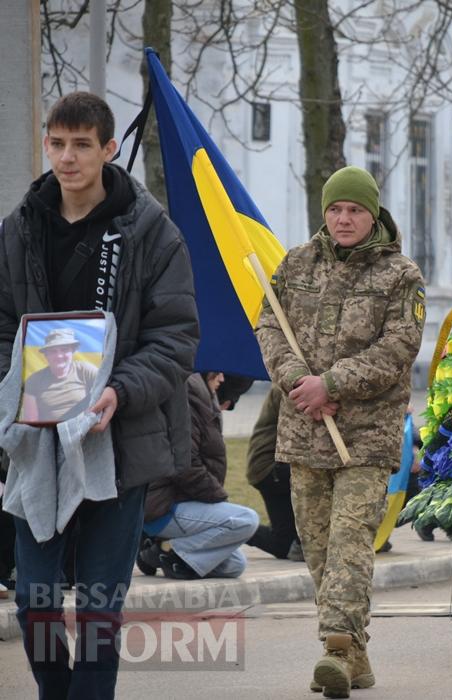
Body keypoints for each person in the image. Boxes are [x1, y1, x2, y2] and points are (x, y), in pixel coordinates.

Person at [0, 92, 198, 699]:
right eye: (57, 143)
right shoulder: (19, 228)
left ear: (109, 149)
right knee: (34, 601)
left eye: (82, 144)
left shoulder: (151, 231)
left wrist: (118, 391)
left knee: (98, 610)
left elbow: (176, 336)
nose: (67, 157)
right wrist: (17, 392)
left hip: (120, 438)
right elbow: (3, 325)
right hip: (39, 444)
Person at [256, 166, 424, 699]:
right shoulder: (296, 264)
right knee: (320, 552)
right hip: (305, 432)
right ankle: (355, 653)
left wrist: (331, 384)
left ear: (372, 213)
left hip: (366, 437)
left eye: (354, 209)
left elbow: (399, 347)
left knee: (352, 544)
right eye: (335, 209)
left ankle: (333, 649)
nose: (344, 218)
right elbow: (269, 324)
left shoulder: (401, 276)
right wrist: (296, 384)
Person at [139, 371, 259, 579]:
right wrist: (218, 497)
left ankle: (160, 551)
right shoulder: (189, 401)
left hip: (183, 502)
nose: (222, 379)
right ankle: (171, 551)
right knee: (245, 520)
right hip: (165, 506)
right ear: (206, 372)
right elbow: (186, 466)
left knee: (235, 565)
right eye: (217, 374)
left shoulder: (203, 397)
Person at [244, 385, 303, 560]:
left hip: (276, 466)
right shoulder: (293, 385)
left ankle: (236, 526)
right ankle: (232, 525)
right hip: (271, 467)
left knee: (282, 544)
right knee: (328, 479)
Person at [21, 327, 98, 422]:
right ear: (46, 355)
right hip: (49, 433)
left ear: (73, 351)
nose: (59, 356)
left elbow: (103, 398)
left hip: (85, 429)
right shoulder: (34, 380)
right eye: (53, 351)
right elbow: (31, 421)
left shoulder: (86, 371)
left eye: (64, 350)